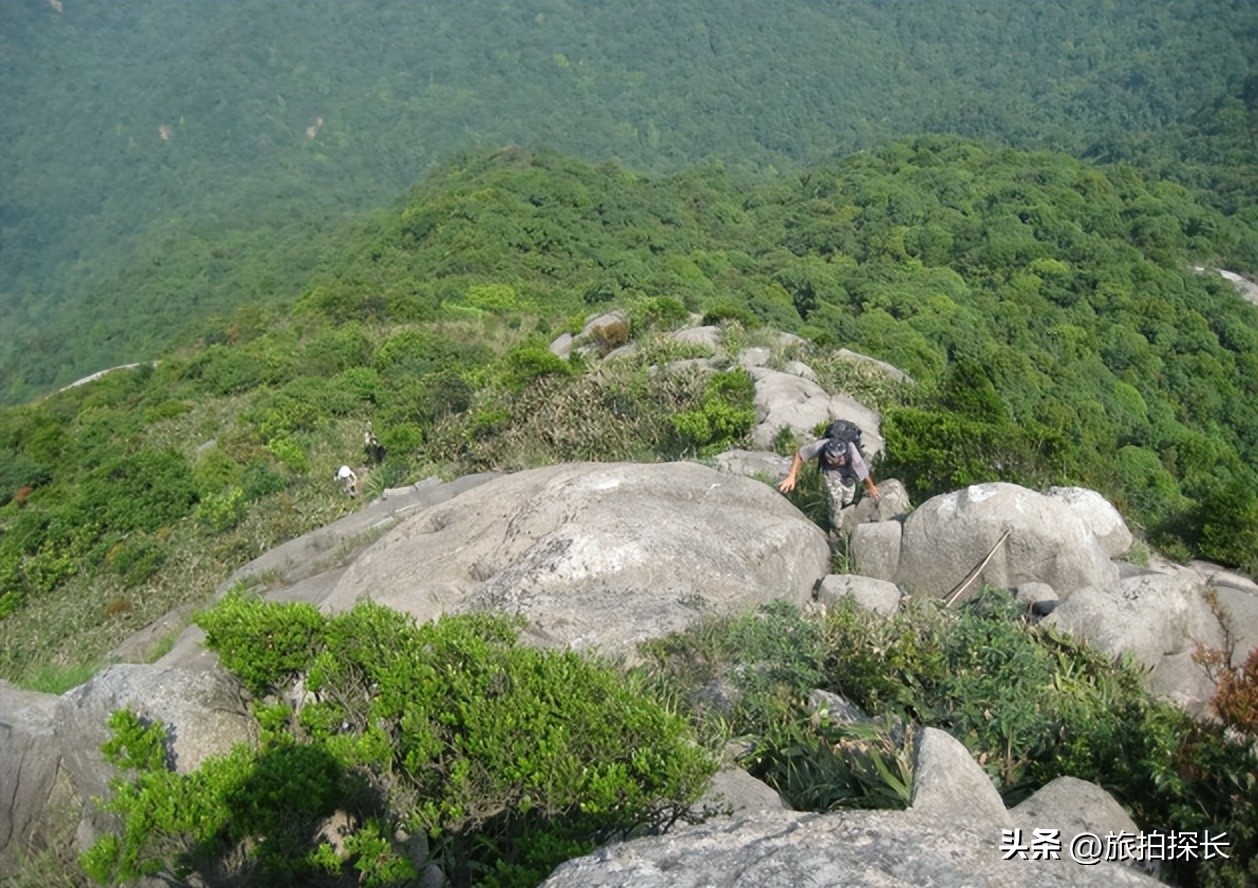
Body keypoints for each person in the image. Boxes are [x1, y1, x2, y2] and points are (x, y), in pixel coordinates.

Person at [778, 429, 880, 538]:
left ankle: (844, 508)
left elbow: (864, 474)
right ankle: (836, 528)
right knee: (835, 498)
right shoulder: (822, 446)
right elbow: (800, 455)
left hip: (848, 474)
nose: (835, 461)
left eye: (838, 458)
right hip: (831, 473)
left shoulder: (852, 454)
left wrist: (871, 487)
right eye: (831, 457)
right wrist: (792, 476)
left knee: (847, 499)